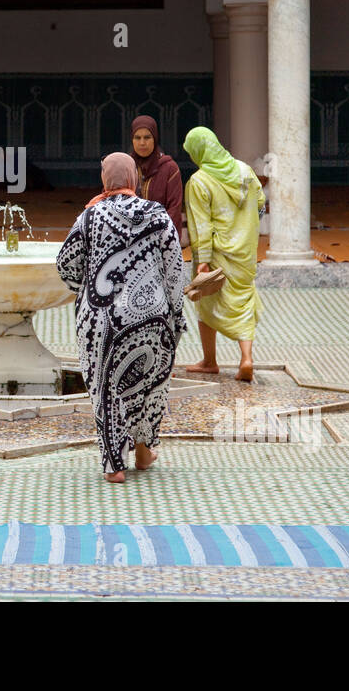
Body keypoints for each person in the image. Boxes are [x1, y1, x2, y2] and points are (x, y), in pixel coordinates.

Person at [56, 153, 186, 483]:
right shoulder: (157, 215)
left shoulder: (89, 216)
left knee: (106, 389)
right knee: (149, 383)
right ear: (132, 178)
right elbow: (174, 269)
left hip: (100, 320)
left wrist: (85, 291)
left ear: (106, 178)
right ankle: (143, 451)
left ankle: (115, 465)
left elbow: (65, 263)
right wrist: (175, 313)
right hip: (151, 317)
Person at [182, 126, 266, 382]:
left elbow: (201, 225)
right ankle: (246, 358)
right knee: (243, 299)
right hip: (245, 251)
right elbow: (260, 203)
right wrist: (245, 230)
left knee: (208, 303)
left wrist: (203, 261)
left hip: (217, 253)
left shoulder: (200, 181)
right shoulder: (244, 171)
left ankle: (209, 361)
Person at [129, 115, 185, 244]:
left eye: (147, 137)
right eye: (137, 138)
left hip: (160, 240)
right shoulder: (126, 166)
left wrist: (161, 240)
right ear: (132, 140)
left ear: (155, 138)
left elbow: (174, 208)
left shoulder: (169, 168)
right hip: (129, 242)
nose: (142, 143)